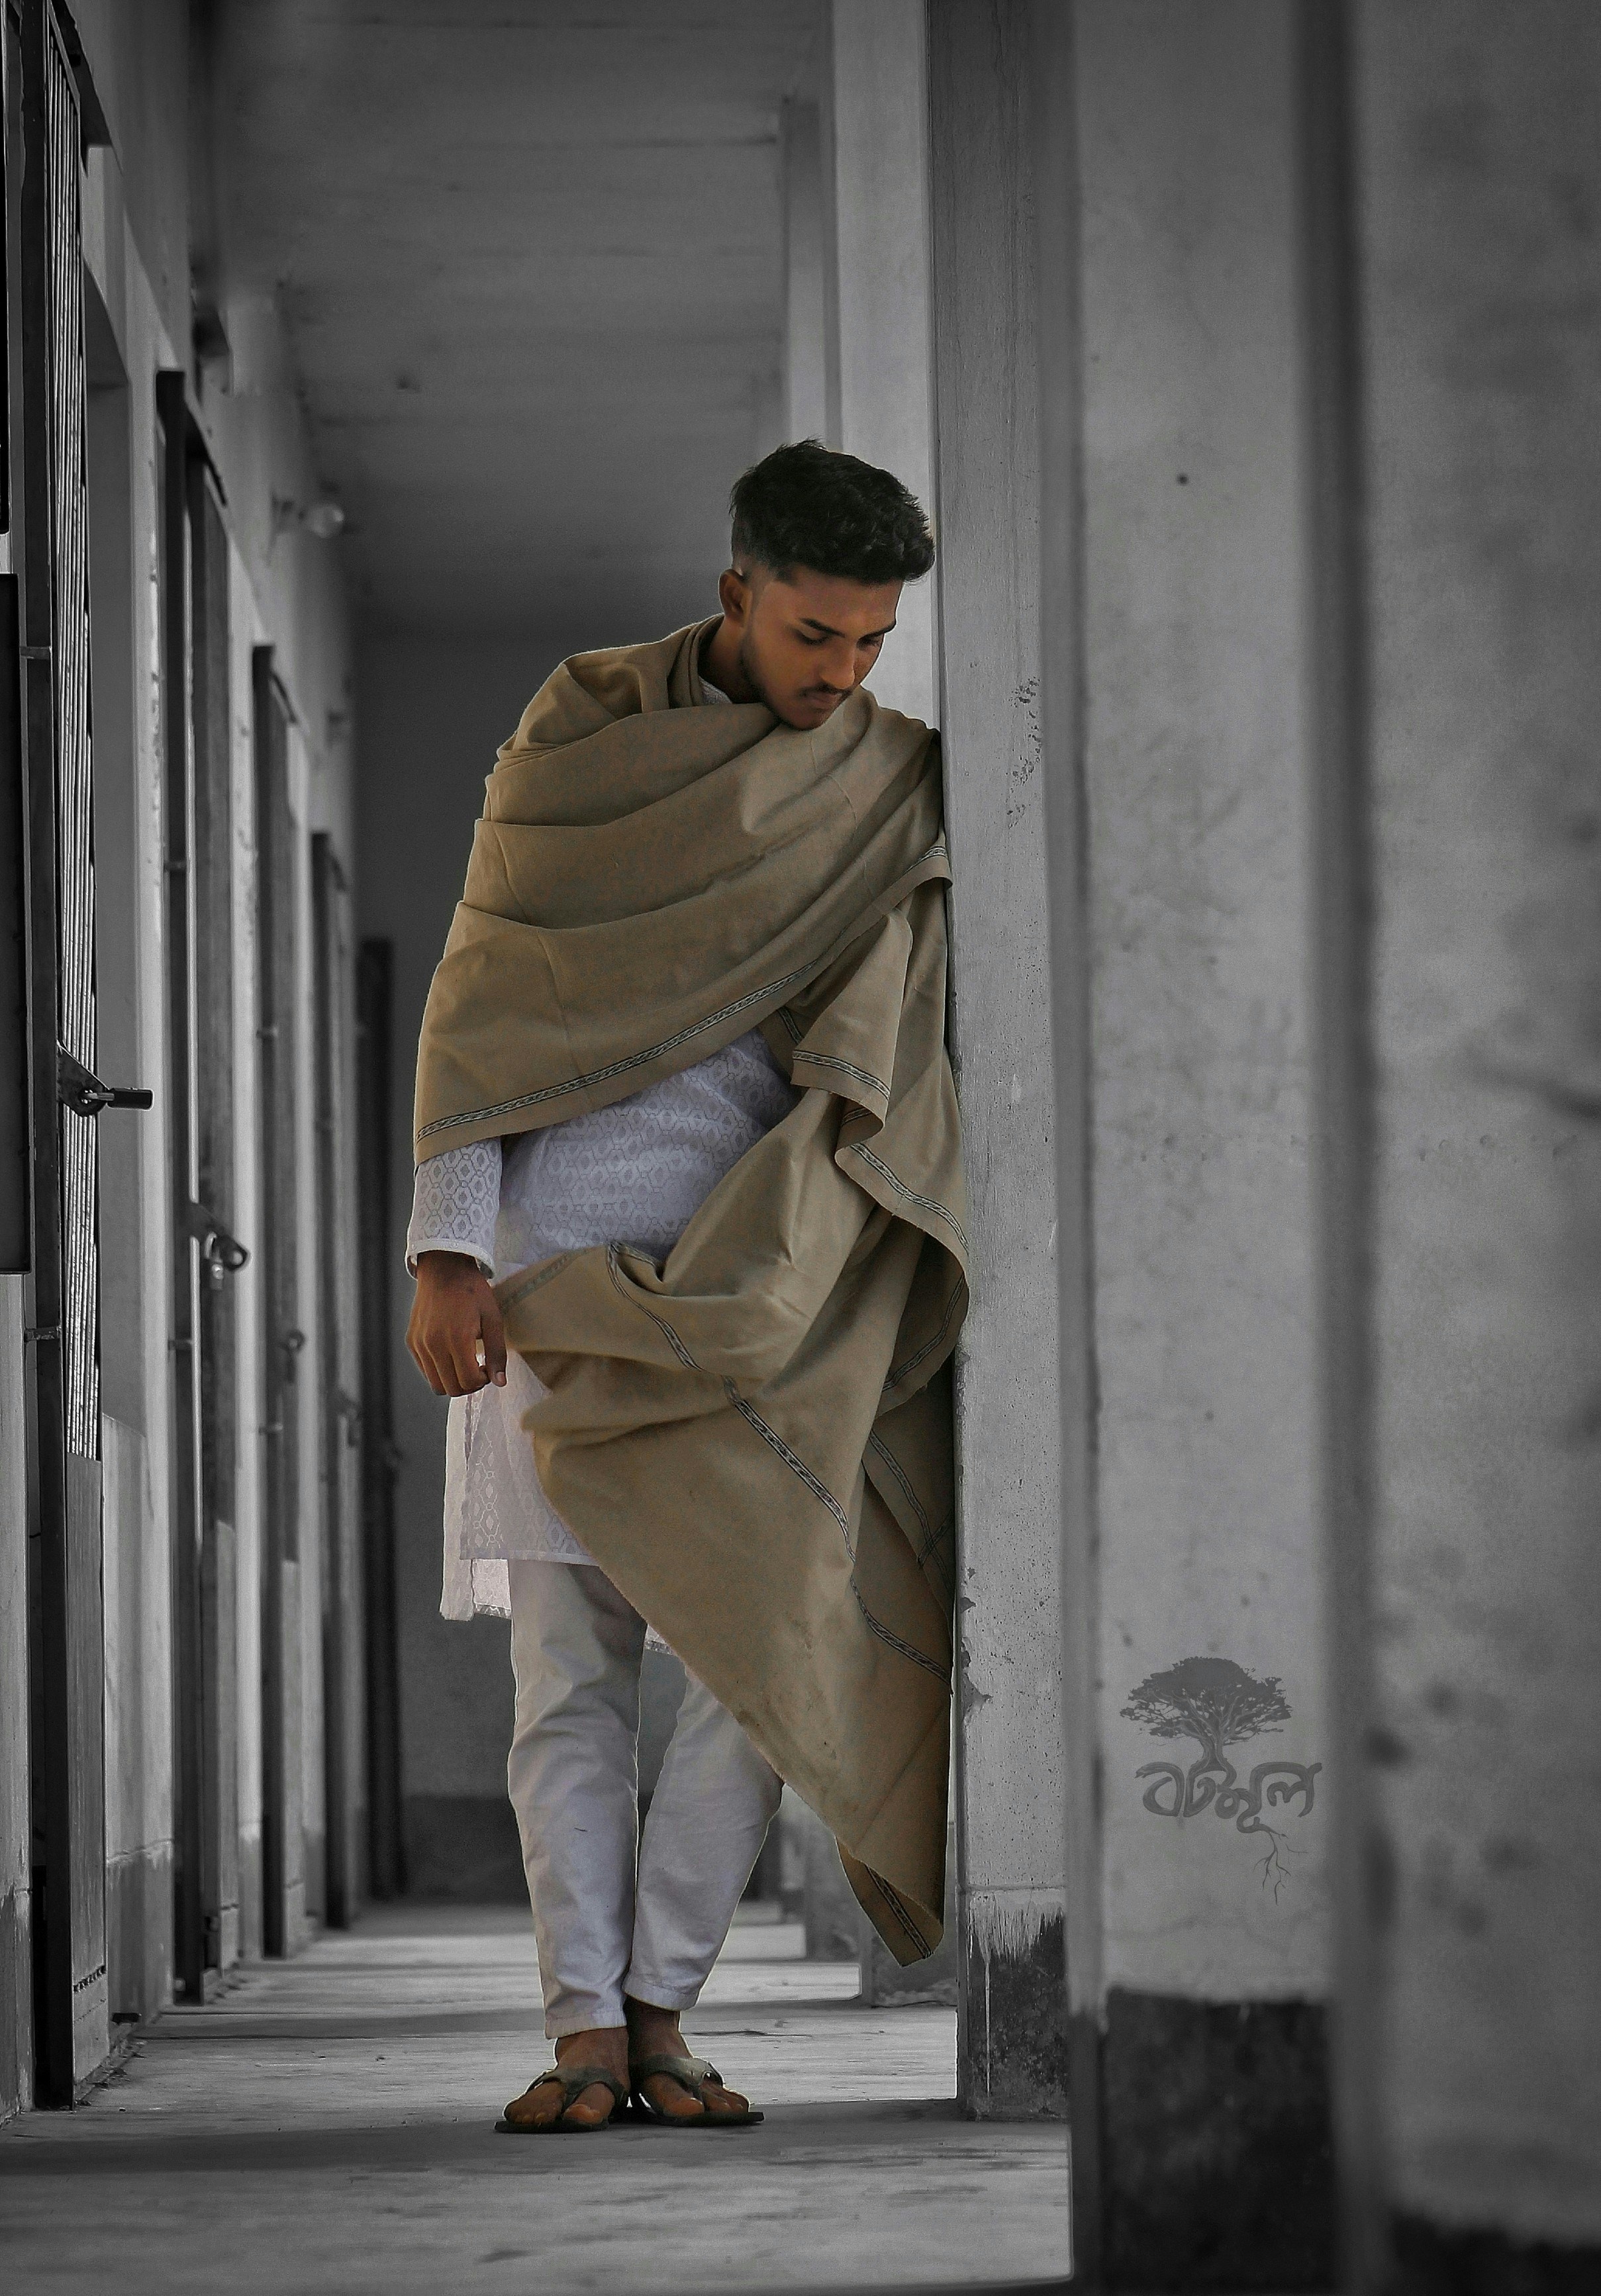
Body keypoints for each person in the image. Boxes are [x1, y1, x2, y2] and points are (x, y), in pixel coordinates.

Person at [406, 439, 967, 2134]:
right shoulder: (577, 747)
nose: (844, 675)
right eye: (816, 636)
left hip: (768, 1287)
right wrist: (448, 1247)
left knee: (744, 1672)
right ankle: (580, 2026)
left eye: (872, 644)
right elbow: (482, 999)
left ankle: (664, 2011)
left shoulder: (886, 780)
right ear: (737, 592)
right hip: (554, 1275)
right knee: (569, 1678)